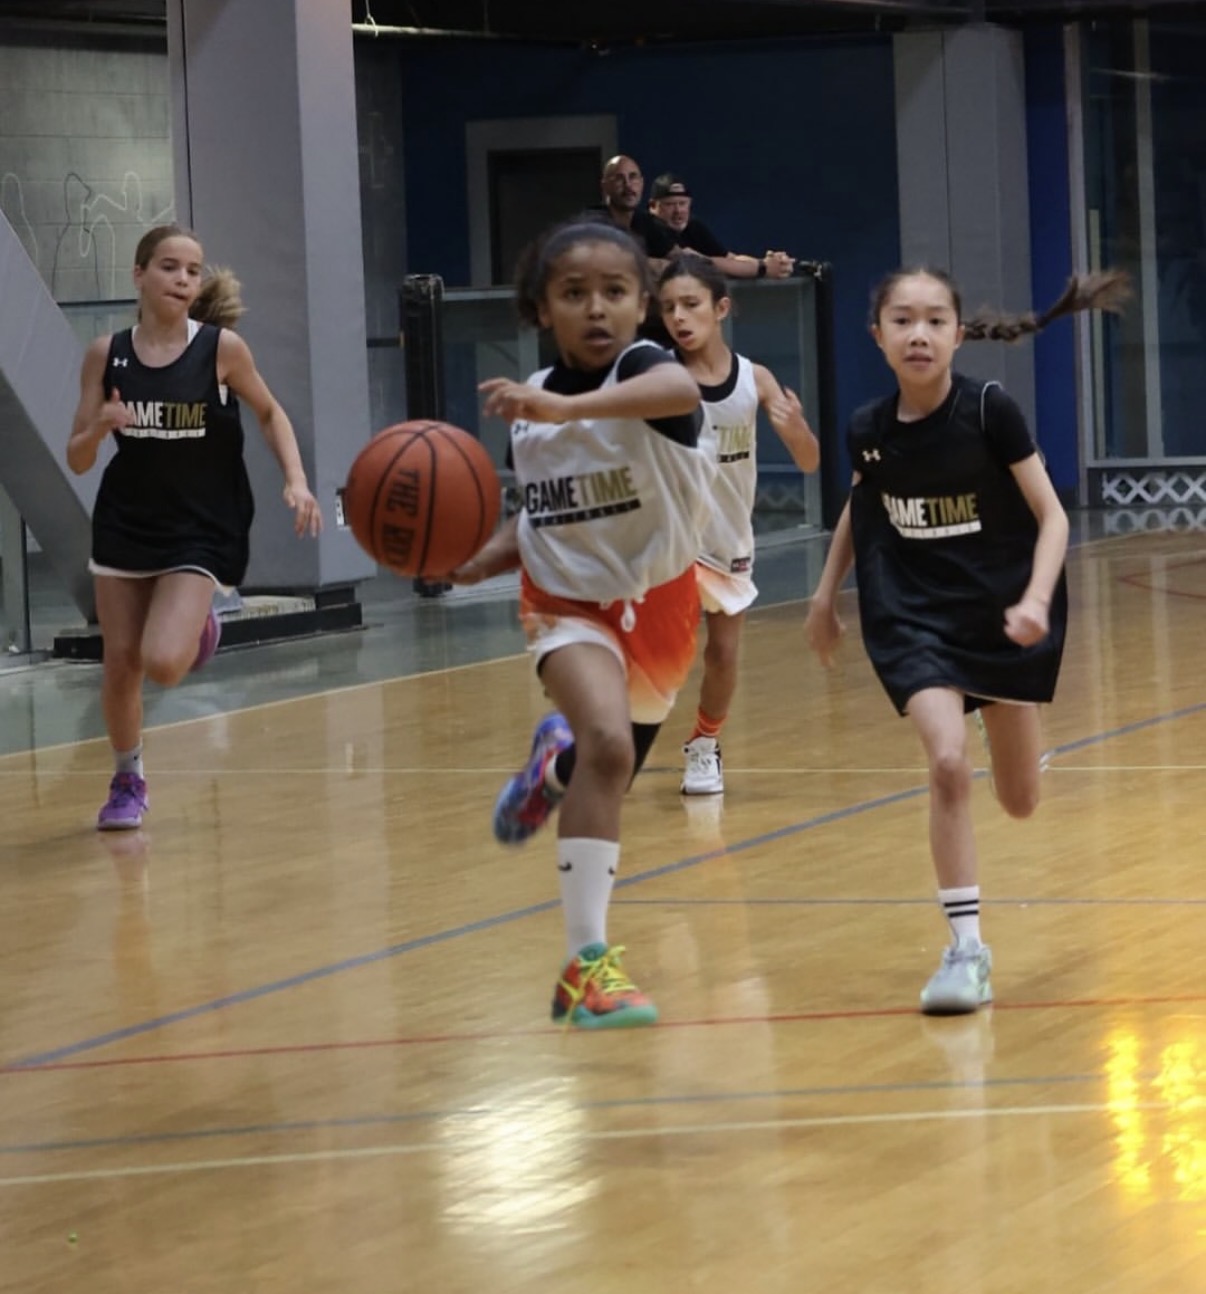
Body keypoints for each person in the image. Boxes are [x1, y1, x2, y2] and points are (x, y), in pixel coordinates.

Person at [803, 265, 1130, 1016]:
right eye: (902, 320)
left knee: (1019, 802)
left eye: (934, 320)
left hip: (1000, 612)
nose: (917, 334)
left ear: (957, 333)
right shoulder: (868, 429)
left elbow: (1052, 516)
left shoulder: (988, 410)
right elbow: (861, 503)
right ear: (877, 336)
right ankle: (966, 951)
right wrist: (824, 595)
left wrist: (1037, 599)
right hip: (912, 615)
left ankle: (1007, 722)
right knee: (947, 762)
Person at [447, 219, 714, 1030]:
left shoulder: (645, 371)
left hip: (662, 604)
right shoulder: (532, 407)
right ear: (541, 308)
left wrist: (566, 407)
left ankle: (551, 771)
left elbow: (680, 394)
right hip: (564, 602)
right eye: (573, 293)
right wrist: (476, 561)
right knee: (607, 742)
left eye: (614, 292)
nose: (596, 308)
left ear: (643, 306)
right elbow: (543, 517)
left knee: (606, 768)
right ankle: (586, 970)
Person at [67, 223, 323, 832]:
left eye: (192, 270)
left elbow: (270, 412)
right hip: (126, 521)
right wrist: (100, 426)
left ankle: (199, 624)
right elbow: (77, 457)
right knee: (120, 662)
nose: (183, 279)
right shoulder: (106, 354)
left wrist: (297, 480)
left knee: (162, 663)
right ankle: (128, 779)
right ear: (139, 275)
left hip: (201, 525)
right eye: (169, 267)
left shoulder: (221, 350)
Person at [658, 254, 819, 795]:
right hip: (669, 540)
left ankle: (704, 746)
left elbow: (810, 461)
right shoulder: (657, 378)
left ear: (721, 308)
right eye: (669, 308)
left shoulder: (756, 379)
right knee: (655, 652)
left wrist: (795, 428)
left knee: (723, 655)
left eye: (691, 304)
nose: (679, 317)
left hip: (726, 538)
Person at [648, 173, 794, 281]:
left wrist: (769, 263)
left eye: (682, 203)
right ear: (653, 206)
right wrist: (763, 268)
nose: (678, 211)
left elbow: (729, 258)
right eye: (669, 204)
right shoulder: (652, 228)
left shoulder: (693, 226)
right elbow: (699, 263)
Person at [594, 154, 679, 265]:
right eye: (619, 178)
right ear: (605, 186)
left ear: (641, 183)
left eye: (633, 177)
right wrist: (656, 265)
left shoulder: (647, 222)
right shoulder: (593, 223)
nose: (628, 185)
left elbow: (679, 256)